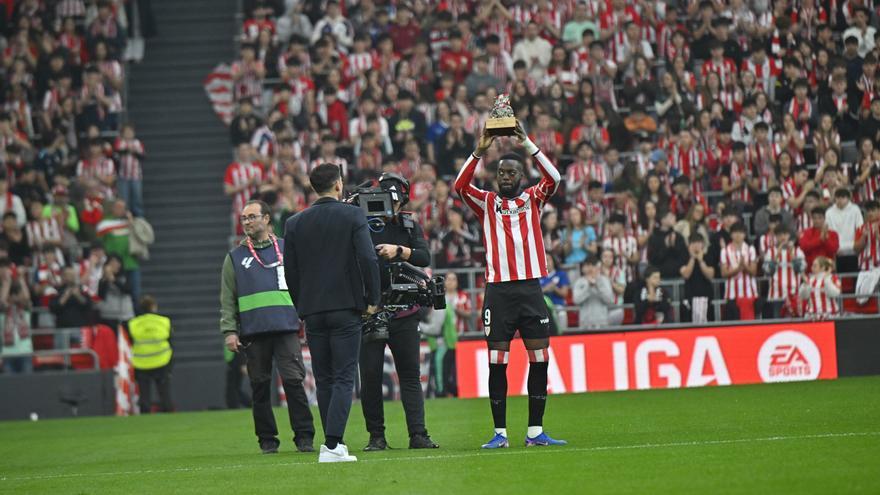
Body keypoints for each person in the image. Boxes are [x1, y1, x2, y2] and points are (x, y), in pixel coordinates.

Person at [454, 121, 567, 449]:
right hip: (499, 292)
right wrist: (479, 150)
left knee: (540, 359)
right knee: (497, 362)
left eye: (512, 173)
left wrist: (526, 142)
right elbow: (460, 186)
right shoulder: (486, 203)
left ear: (521, 176)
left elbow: (554, 178)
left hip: (531, 289)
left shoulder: (534, 198)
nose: (506, 177)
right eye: (501, 172)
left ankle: (535, 431)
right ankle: (500, 433)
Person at [283, 164, 381, 463]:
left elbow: (290, 271)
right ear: (338, 185)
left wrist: (302, 305)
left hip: (312, 310)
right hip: (345, 307)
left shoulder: (294, 223)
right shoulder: (352, 214)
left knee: (324, 378)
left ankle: (331, 444)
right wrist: (373, 299)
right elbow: (367, 258)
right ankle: (333, 445)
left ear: (314, 187)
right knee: (343, 377)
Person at [221, 200, 315, 455]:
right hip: (253, 331)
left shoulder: (288, 249)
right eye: (244, 218)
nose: (247, 222)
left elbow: (304, 284)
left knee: (294, 383)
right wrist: (229, 331)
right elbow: (227, 298)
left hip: (286, 327)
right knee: (260, 387)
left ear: (267, 219)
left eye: (252, 217)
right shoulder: (235, 257)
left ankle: (304, 437)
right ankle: (267, 440)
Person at [359, 172, 439, 451]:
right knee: (370, 377)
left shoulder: (408, 225)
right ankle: (376, 436)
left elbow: (423, 257)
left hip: (404, 310)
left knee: (409, 375)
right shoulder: (360, 222)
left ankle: (418, 434)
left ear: (403, 199)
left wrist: (399, 251)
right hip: (370, 310)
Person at [128, 296, 173, 413]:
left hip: (141, 363)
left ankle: (145, 416)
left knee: (144, 394)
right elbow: (170, 340)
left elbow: (130, 341)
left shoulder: (133, 323)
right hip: (162, 360)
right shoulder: (164, 321)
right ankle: (168, 412)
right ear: (153, 307)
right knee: (164, 392)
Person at [763, 226, 806, 319]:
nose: (783, 237)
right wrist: (776, 255)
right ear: (776, 236)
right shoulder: (770, 252)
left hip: (794, 295)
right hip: (776, 295)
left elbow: (801, 269)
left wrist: (791, 254)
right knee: (777, 326)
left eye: (785, 234)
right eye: (780, 235)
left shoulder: (797, 250)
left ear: (789, 236)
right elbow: (768, 271)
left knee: (795, 325)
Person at [720, 222, 759, 321]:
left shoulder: (750, 249)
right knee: (732, 325)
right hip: (731, 294)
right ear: (731, 234)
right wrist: (738, 269)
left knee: (749, 324)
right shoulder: (725, 251)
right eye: (735, 232)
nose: (738, 235)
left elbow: (754, 272)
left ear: (744, 235)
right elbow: (724, 273)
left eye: (740, 232)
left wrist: (744, 266)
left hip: (749, 294)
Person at [572, 256, 617, 328]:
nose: (590, 268)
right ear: (583, 268)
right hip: (585, 324)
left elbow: (610, 300)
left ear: (597, 267)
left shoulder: (604, 280)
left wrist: (597, 285)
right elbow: (576, 300)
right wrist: (588, 286)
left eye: (592, 265)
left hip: (602, 323)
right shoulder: (579, 282)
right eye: (587, 265)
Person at [679, 234, 715, 323]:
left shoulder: (708, 256)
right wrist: (692, 258)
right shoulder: (684, 257)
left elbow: (710, 275)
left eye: (698, 243)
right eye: (693, 243)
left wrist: (701, 260)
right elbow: (686, 274)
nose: (696, 245)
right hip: (690, 295)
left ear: (703, 244)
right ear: (689, 245)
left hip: (706, 295)